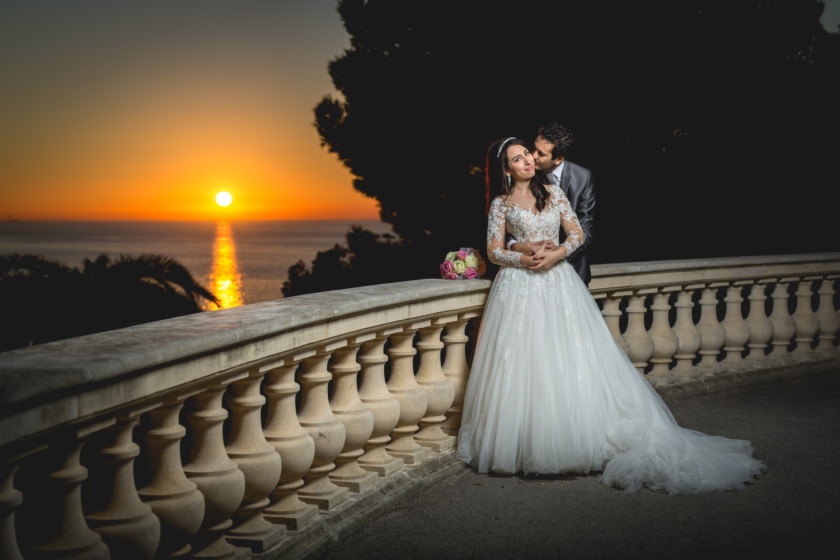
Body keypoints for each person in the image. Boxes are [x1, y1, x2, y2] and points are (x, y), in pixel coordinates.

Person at [455, 136, 766, 494]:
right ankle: (527, 443)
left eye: (527, 154)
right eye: (517, 158)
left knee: (568, 356)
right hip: (518, 286)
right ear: (506, 169)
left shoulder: (553, 193)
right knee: (523, 360)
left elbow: (576, 233)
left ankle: (575, 437)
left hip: (558, 282)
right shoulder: (500, 203)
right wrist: (521, 256)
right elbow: (493, 251)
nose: (527, 160)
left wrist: (557, 255)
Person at [507, 123, 595, 285]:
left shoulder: (583, 177)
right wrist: (516, 246)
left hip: (574, 269)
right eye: (533, 149)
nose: (532, 156)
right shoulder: (524, 172)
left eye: (541, 154)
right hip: (529, 268)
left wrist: (558, 255)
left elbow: (586, 230)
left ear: (559, 158)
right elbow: (510, 220)